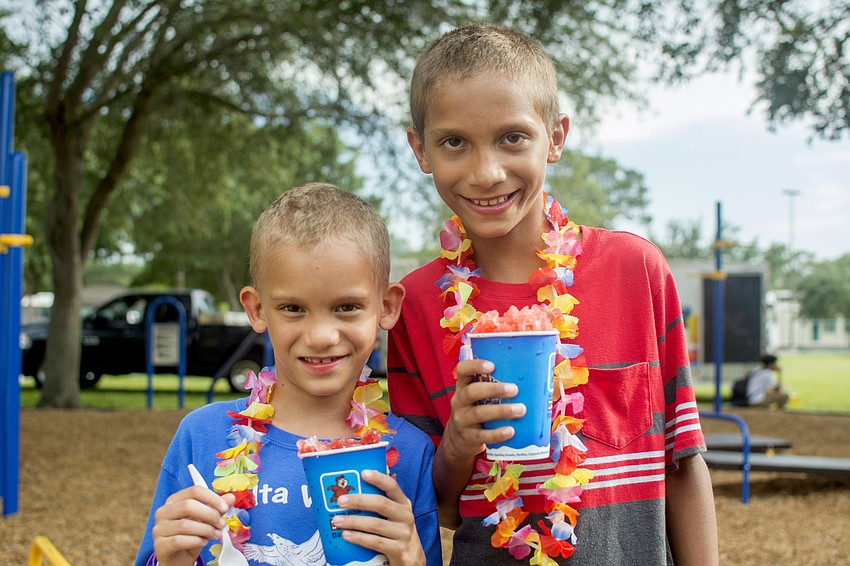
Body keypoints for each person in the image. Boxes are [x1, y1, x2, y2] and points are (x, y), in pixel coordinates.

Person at [387, 23, 719, 565]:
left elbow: (684, 462)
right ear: (420, 149)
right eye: (454, 143)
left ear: (556, 137)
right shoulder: (418, 305)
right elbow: (439, 509)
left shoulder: (636, 270)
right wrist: (459, 442)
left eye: (512, 137)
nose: (487, 172)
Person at [135, 183, 441, 566]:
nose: (321, 337)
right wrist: (173, 561)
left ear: (386, 306)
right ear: (258, 309)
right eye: (293, 308)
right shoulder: (201, 437)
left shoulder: (410, 453)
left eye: (347, 306)